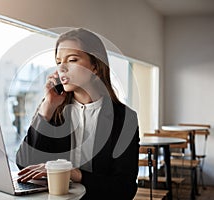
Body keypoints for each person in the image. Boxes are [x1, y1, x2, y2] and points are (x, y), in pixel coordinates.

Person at [16, 28, 140, 199]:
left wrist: (75, 174)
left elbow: (125, 189)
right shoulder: (53, 109)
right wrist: (47, 107)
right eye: (59, 62)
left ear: (95, 66)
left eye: (72, 60)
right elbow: (24, 164)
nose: (62, 68)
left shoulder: (124, 118)